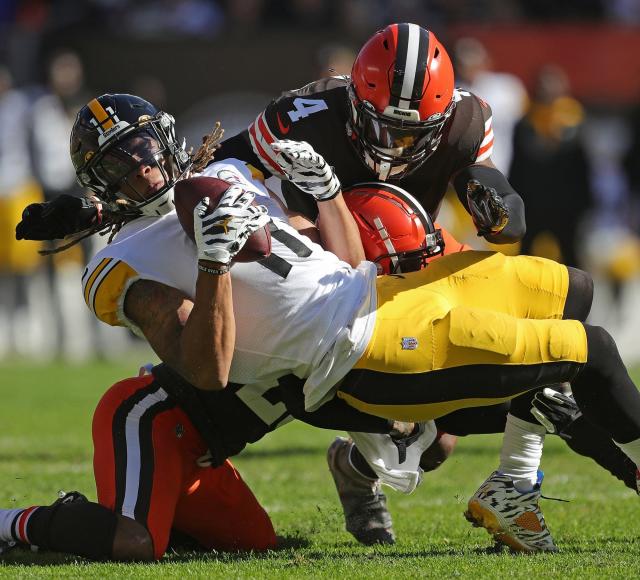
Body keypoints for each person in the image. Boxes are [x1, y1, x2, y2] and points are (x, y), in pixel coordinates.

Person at [18, 92, 640, 558]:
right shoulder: (118, 265)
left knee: (572, 292)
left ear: (166, 139)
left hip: (380, 293)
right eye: (119, 166)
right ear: (100, 180)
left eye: (144, 151)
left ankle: (513, 471)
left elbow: (340, 264)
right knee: (588, 353)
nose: (143, 172)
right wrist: (212, 264)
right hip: (351, 351)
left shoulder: (228, 175)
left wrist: (328, 194)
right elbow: (205, 370)